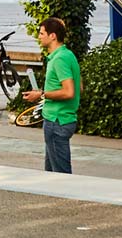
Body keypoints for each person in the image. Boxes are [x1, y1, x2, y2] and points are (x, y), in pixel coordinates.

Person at [22, 17, 81, 173]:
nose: (39, 37)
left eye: (42, 33)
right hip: (61, 119)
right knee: (50, 173)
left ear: (52, 36)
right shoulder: (68, 55)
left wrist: (42, 94)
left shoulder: (59, 59)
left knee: (61, 174)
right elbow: (79, 87)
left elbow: (69, 92)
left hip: (57, 120)